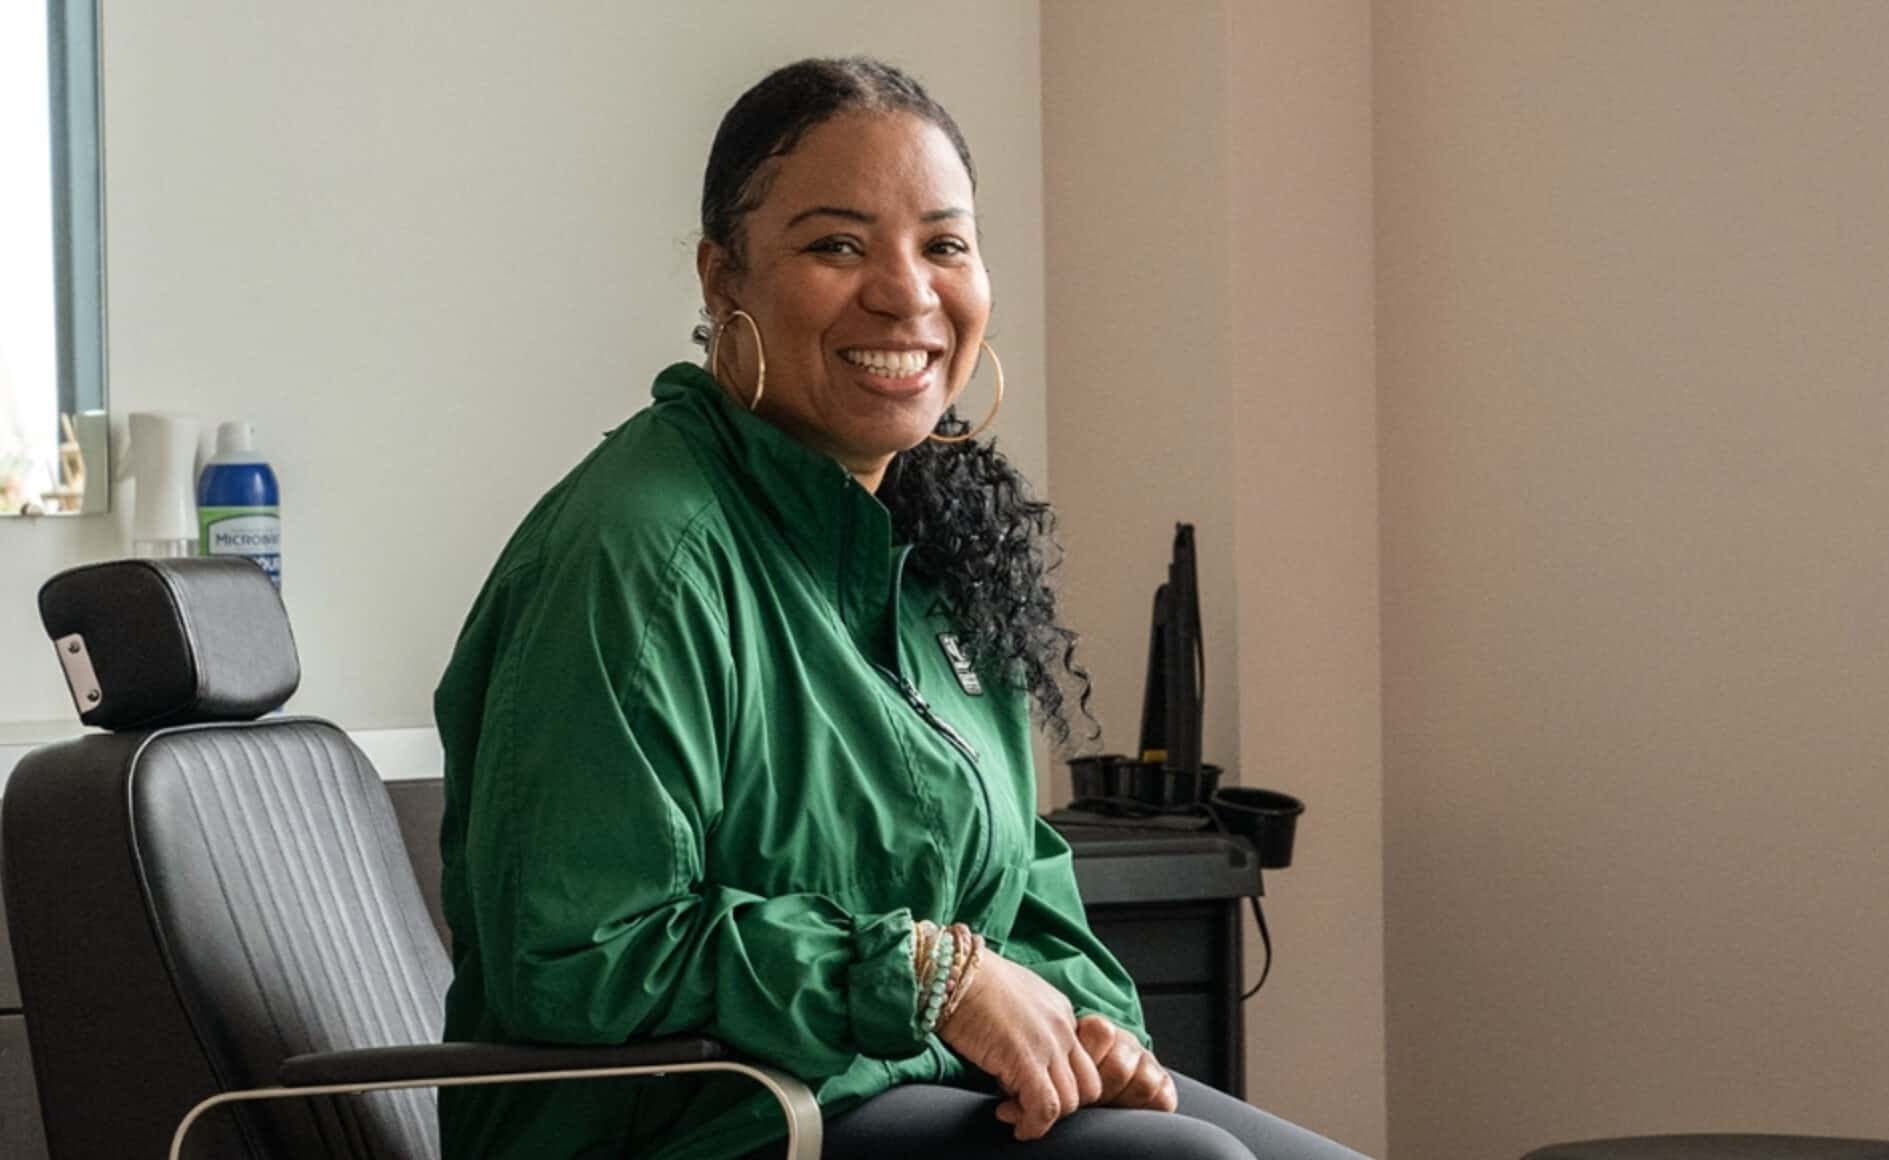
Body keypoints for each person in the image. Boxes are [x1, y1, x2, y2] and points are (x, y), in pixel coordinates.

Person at [433, 56, 1369, 1160]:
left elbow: (1023, 889)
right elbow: (580, 953)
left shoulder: (923, 564)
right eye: (836, 244)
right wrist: (928, 977)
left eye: (943, 244)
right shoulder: (642, 555)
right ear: (719, 279)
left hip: (895, 1086)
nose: (905, 290)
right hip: (701, 1127)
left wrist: (1085, 1021)